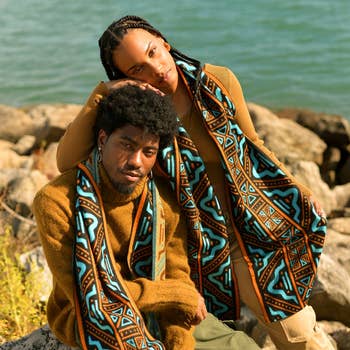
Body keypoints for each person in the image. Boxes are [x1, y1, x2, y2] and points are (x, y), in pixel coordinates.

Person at [56, 16, 334, 350]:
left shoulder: (217, 82)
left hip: (252, 231)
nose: (155, 69)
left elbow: (253, 143)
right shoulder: (138, 115)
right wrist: (103, 93)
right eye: (137, 70)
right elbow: (66, 162)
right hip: (188, 250)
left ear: (164, 42)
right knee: (204, 338)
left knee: (299, 334)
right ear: (125, 79)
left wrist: (298, 188)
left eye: (154, 52)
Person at [33, 85, 259, 350]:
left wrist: (178, 340)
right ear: (103, 140)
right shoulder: (57, 201)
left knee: (241, 345)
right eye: (127, 146)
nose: (136, 161)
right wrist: (175, 295)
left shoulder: (162, 199)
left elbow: (177, 275)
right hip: (90, 317)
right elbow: (94, 296)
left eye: (148, 152)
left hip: (162, 312)